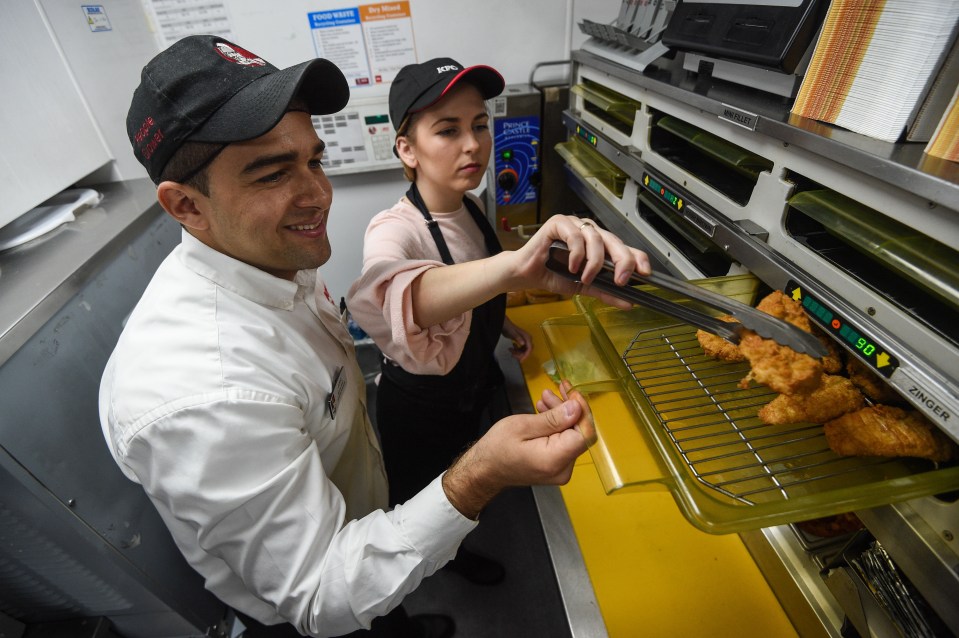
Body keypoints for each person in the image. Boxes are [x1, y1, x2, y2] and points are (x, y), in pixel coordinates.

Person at [99, 35, 650, 638]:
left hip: (365, 518)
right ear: (186, 206)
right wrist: (481, 472)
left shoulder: (270, 258)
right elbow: (322, 595)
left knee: (391, 608)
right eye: (272, 174)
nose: (318, 195)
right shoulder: (205, 388)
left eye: (313, 160)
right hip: (318, 612)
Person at [345, 58, 528, 586]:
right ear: (407, 148)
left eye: (479, 124)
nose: (472, 144)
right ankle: (444, 572)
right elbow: (385, 288)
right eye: (447, 130)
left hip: (469, 389)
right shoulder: (394, 230)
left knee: (468, 481)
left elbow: (474, 292)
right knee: (430, 505)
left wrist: (505, 321)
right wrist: (517, 265)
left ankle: (460, 543)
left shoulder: (468, 208)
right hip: (421, 407)